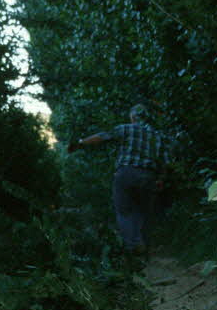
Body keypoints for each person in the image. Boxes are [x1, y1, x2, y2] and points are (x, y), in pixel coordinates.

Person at [67, 104, 171, 256]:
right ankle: (144, 247)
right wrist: (162, 178)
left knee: (124, 211)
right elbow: (165, 162)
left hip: (126, 173)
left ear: (133, 117)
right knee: (144, 212)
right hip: (148, 176)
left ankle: (132, 248)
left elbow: (102, 136)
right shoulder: (157, 136)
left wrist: (81, 142)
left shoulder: (125, 128)